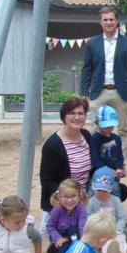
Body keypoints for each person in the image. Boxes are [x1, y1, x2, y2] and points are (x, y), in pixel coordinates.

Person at [81, 6, 127, 164]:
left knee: (123, 129)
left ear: (117, 21)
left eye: (111, 19)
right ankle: (97, 161)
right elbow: (87, 68)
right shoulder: (93, 43)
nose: (109, 22)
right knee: (95, 128)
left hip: (121, 91)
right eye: (105, 20)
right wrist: (84, 91)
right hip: (98, 92)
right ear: (100, 22)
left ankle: (121, 162)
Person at [39, 98, 92, 236]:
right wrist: (68, 197)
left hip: (85, 194)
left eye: (81, 113)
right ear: (64, 117)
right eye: (72, 113)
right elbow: (46, 181)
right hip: (64, 198)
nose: (77, 117)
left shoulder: (86, 136)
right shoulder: (53, 145)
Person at [87, 167, 127, 253]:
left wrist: (117, 230)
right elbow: (88, 219)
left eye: (105, 190)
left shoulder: (116, 200)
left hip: (114, 229)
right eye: (98, 189)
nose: (101, 193)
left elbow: (121, 217)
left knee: (121, 240)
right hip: (100, 232)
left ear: (111, 188)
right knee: (105, 244)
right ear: (93, 187)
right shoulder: (91, 202)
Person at [89, 105, 127, 202]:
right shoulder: (94, 139)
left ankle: (114, 211)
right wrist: (108, 171)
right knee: (93, 195)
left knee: (115, 193)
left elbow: (120, 156)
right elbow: (95, 160)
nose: (109, 127)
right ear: (97, 123)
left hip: (114, 175)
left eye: (111, 125)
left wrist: (119, 168)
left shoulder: (116, 138)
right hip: (98, 175)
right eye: (105, 125)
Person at [46, 178, 89, 253]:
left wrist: (83, 242)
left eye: (73, 196)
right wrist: (57, 238)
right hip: (61, 236)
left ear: (79, 197)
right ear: (59, 197)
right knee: (64, 250)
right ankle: (58, 251)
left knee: (73, 229)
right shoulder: (57, 209)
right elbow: (50, 226)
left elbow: (82, 226)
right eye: (65, 196)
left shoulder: (81, 209)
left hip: (75, 235)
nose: (69, 200)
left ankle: (71, 250)